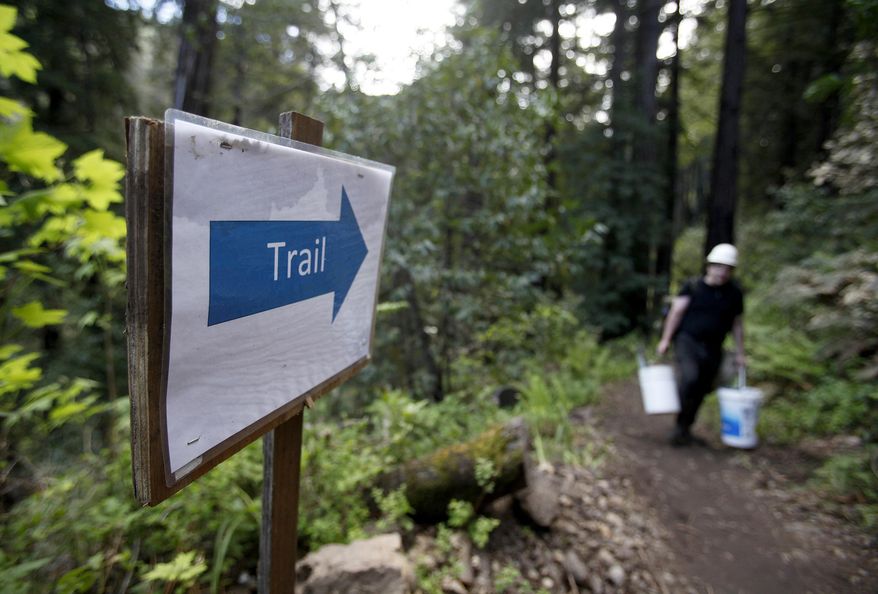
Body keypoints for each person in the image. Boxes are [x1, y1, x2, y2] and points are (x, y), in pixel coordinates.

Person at [657, 243, 746, 446]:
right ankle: (679, 418)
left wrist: (741, 352)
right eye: (719, 266)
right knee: (689, 378)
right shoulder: (693, 287)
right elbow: (676, 313)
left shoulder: (734, 294)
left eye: (727, 268)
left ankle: (684, 428)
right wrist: (665, 339)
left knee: (702, 388)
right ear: (710, 266)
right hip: (688, 341)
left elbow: (737, 324)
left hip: (714, 346)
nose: (722, 272)